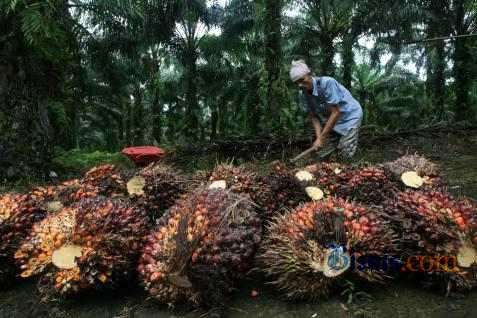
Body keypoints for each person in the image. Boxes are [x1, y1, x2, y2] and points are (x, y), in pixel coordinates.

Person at [290, 60, 363, 159]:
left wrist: (322, 138)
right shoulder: (304, 94)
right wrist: (319, 137)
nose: (300, 85)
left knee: (345, 154)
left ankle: (348, 161)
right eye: (296, 82)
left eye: (302, 79)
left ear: (310, 74)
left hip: (350, 116)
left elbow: (336, 112)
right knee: (321, 153)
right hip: (333, 120)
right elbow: (314, 117)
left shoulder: (327, 83)